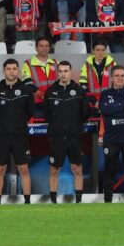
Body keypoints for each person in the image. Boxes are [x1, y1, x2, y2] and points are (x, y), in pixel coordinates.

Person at [43, 61, 89, 204]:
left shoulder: (80, 91)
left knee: (77, 169)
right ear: (57, 73)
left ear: (71, 72)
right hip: (56, 137)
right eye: (60, 71)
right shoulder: (50, 92)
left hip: (74, 136)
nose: (63, 74)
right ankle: (53, 202)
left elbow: (85, 114)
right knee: (54, 170)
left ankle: (79, 201)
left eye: (66, 71)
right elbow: (47, 115)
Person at [0, 58, 33, 205]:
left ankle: (27, 202)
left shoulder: (26, 91)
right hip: (2, 136)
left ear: (18, 71)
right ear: (3, 71)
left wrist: (18, 124)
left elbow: (30, 112)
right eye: (8, 68)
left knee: (24, 169)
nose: (11, 71)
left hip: (20, 136)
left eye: (14, 68)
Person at [99, 65, 124, 203]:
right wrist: (123, 106)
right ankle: (107, 201)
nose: (120, 78)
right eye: (117, 76)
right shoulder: (105, 94)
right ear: (112, 77)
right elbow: (104, 109)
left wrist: (114, 110)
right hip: (111, 140)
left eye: (122, 75)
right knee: (110, 171)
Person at [21, 37, 57, 120]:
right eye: (41, 46)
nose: (44, 48)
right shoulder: (27, 64)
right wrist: (44, 96)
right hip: (37, 105)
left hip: (54, 104)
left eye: (47, 46)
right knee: (39, 130)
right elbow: (28, 84)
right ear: (36, 48)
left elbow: (60, 82)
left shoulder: (55, 63)